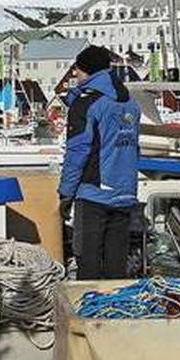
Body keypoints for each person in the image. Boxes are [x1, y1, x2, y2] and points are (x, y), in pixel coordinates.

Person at [59, 45, 141, 279]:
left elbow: (77, 153)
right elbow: (135, 148)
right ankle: (116, 309)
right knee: (117, 262)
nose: (75, 74)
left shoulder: (87, 104)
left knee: (88, 259)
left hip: (93, 192)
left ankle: (89, 312)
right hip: (125, 192)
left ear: (86, 71)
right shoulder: (131, 103)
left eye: (77, 69)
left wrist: (65, 193)